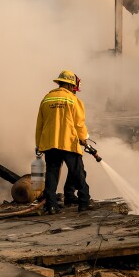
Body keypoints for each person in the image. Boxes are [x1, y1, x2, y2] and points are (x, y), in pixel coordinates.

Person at [35, 70, 92, 214]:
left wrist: (38, 144)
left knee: (52, 175)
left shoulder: (46, 98)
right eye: (73, 87)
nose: (74, 90)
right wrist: (83, 138)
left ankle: (51, 206)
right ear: (68, 84)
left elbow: (39, 125)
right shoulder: (74, 100)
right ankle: (84, 203)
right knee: (77, 172)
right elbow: (79, 123)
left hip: (50, 143)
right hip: (69, 142)